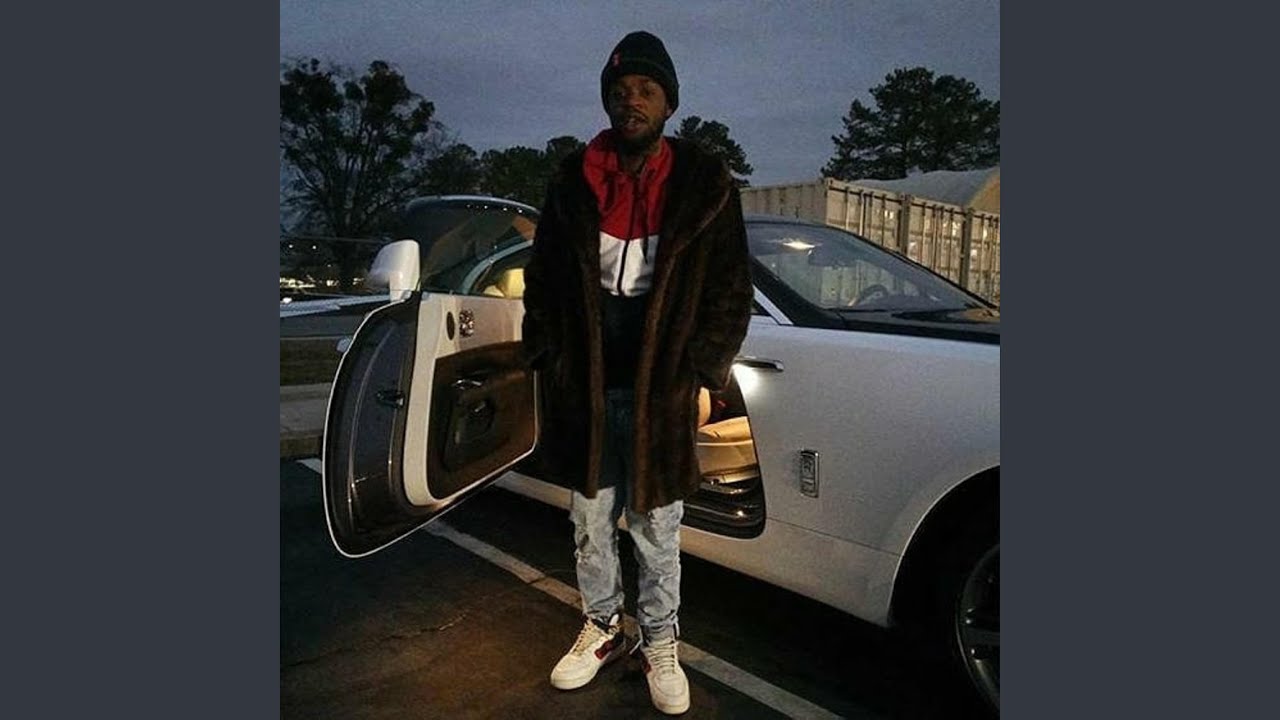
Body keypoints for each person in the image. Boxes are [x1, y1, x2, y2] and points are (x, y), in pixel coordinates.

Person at [521, 30, 753, 716]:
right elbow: (542, 281)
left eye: (646, 91)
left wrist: (701, 370)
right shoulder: (571, 181)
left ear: (668, 103)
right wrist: (549, 355)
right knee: (591, 524)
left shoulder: (704, 185)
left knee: (657, 529)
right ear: (608, 101)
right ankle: (601, 627)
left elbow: (730, 289)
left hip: (661, 390)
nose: (632, 101)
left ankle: (658, 640)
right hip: (587, 389)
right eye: (621, 91)